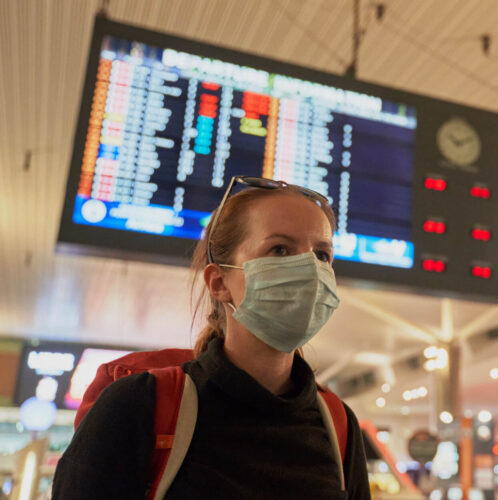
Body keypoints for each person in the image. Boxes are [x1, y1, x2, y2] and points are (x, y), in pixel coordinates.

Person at [52, 177, 370, 499]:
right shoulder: (137, 406)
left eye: (322, 255)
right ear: (219, 282)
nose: (309, 271)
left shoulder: (338, 425)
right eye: (279, 249)